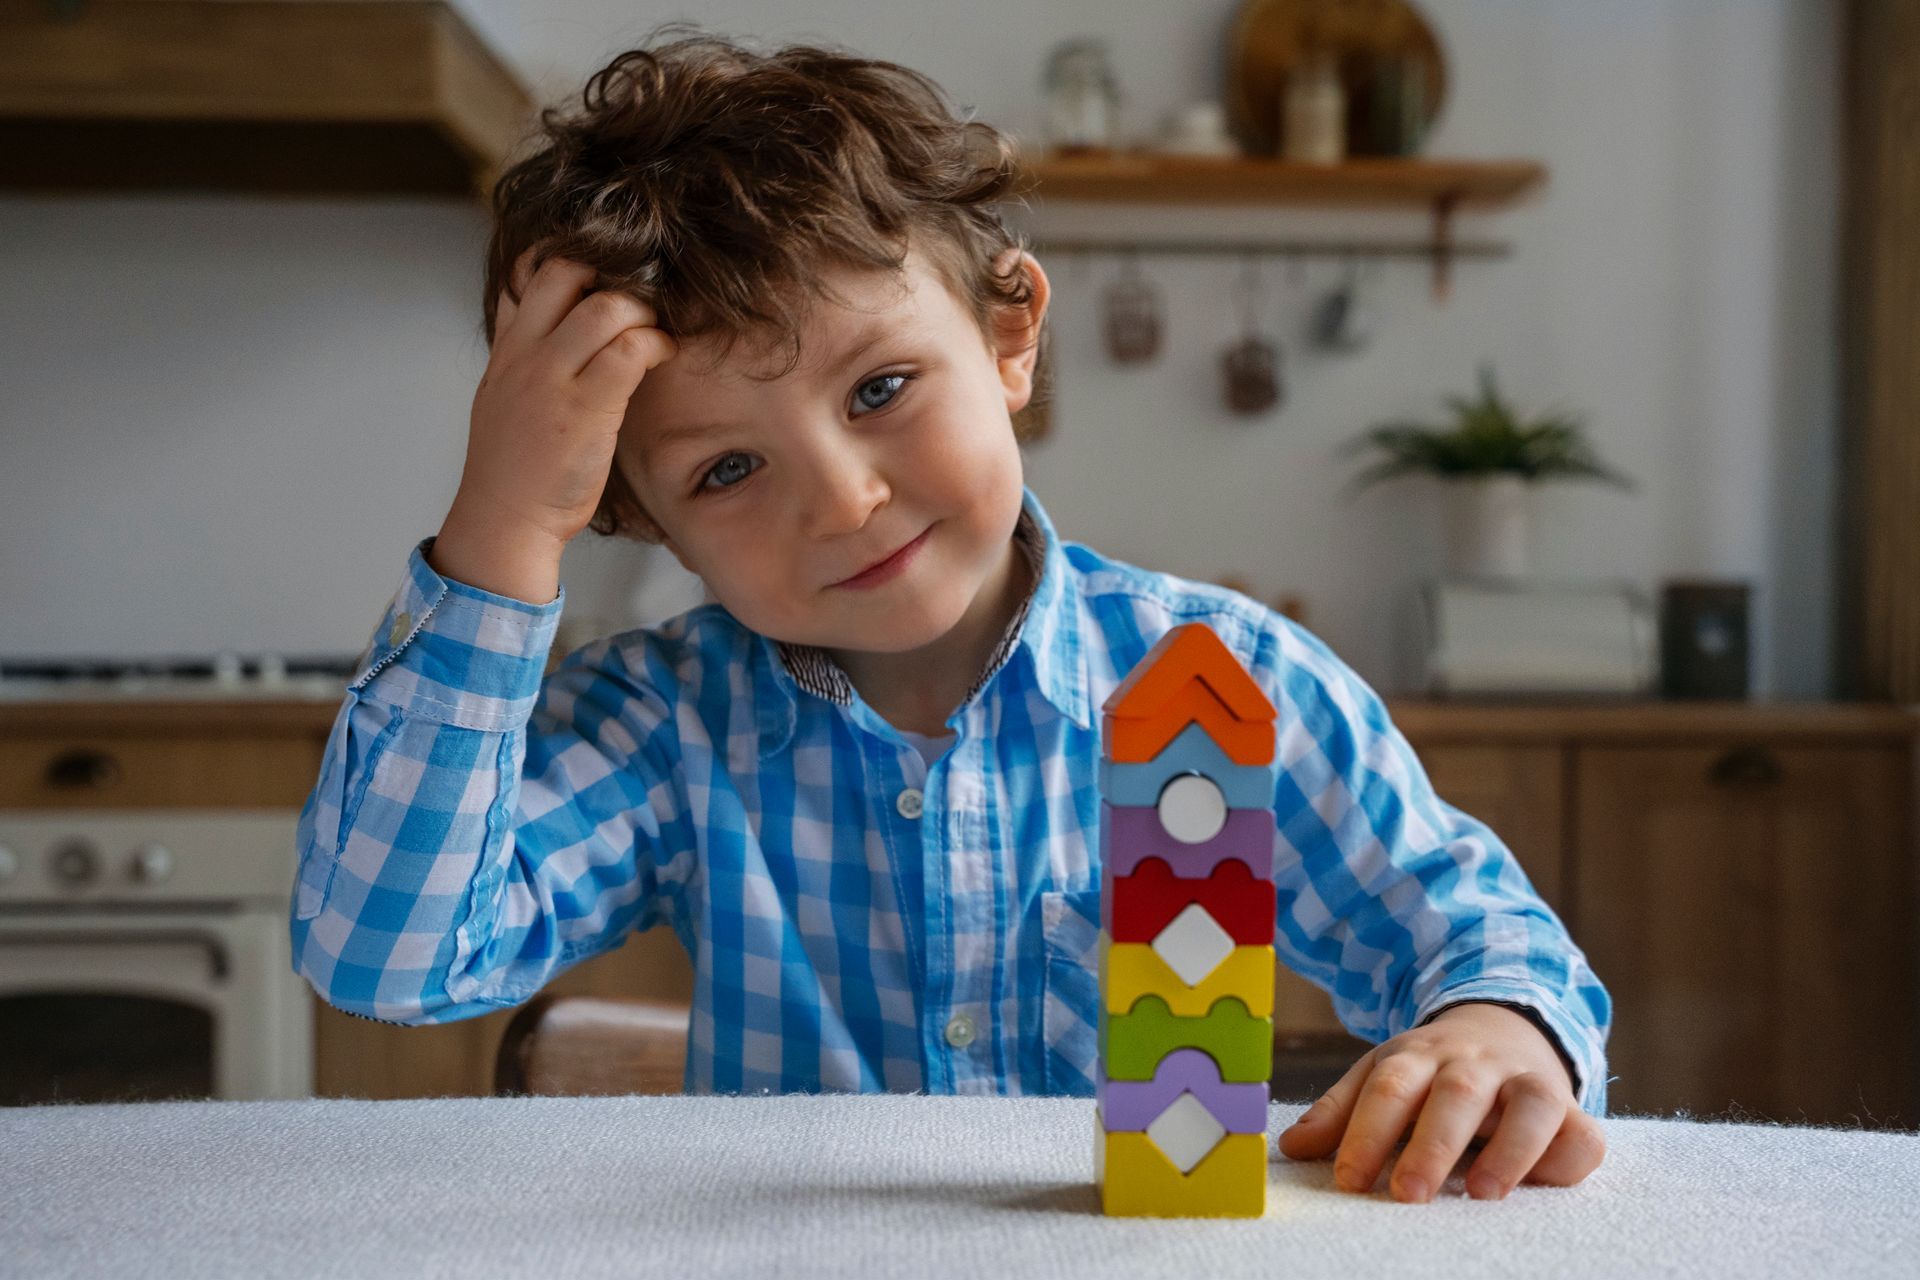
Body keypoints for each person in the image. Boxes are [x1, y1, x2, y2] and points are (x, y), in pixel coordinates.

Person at [289, 29, 1611, 1204]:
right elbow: (388, 961)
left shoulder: (1228, 677)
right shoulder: (666, 725)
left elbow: (1477, 931)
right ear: (636, 517)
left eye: (880, 390)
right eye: (727, 471)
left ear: (1009, 333)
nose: (847, 501)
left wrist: (1499, 1029)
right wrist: (507, 526)